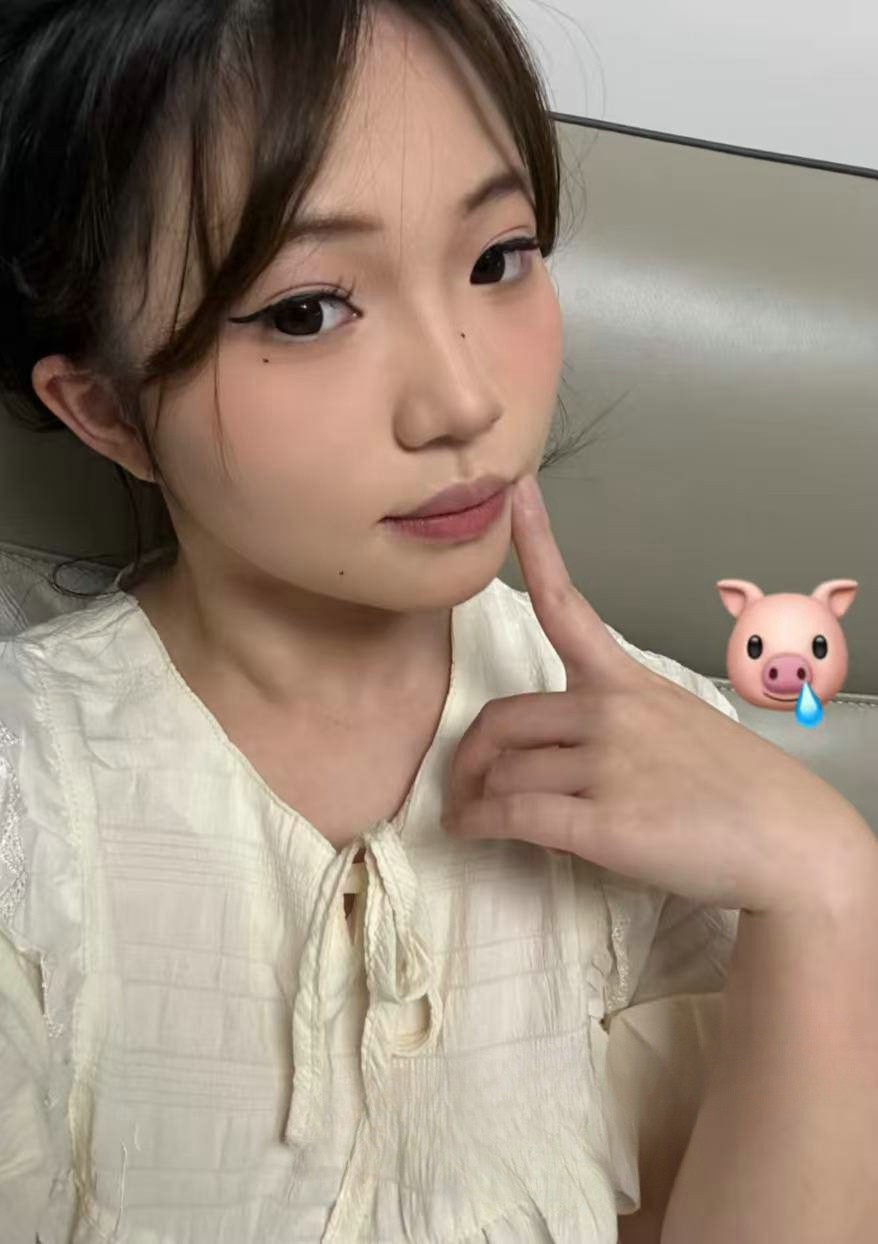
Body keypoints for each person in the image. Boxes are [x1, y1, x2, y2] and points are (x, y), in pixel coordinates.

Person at [1, 4, 874, 1243]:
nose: (463, 400)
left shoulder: (682, 770)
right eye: (306, 311)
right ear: (106, 411)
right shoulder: (30, 805)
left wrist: (827, 887)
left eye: (497, 257)